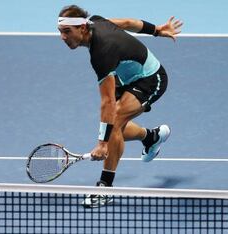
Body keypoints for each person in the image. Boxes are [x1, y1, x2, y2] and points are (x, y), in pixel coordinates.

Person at [57, 5, 183, 208]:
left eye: (66, 31)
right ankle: (152, 137)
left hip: (150, 78)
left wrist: (102, 144)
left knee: (113, 123)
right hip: (126, 77)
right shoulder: (96, 21)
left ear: (82, 27)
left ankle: (105, 188)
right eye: (60, 31)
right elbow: (127, 23)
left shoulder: (102, 52)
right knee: (115, 128)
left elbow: (107, 102)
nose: (62, 37)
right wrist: (157, 30)